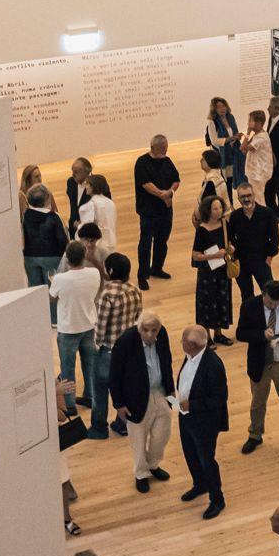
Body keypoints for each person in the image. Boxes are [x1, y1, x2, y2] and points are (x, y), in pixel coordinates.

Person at [236, 278, 279, 454]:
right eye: (269, 302)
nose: (273, 305)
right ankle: (255, 435)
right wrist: (261, 335)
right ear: (263, 294)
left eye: (276, 302)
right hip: (260, 362)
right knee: (257, 402)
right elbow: (240, 333)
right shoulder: (249, 306)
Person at [108, 312, 175, 493]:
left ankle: (153, 464)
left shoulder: (162, 335)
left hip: (160, 393)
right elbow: (114, 375)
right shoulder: (126, 341)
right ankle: (141, 473)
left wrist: (171, 393)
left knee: (162, 434)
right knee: (138, 439)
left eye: (154, 330)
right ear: (139, 329)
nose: (150, 335)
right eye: (146, 330)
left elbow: (167, 362)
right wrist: (119, 404)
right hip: (135, 399)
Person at [172, 323, 230, 519]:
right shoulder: (190, 356)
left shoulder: (213, 365)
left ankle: (217, 499)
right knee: (190, 453)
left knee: (207, 460)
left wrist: (192, 405)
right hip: (186, 416)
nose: (180, 342)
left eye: (183, 340)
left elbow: (219, 398)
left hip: (204, 421)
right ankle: (200, 484)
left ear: (192, 345)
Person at [89, 254, 140, 439]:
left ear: (110, 271)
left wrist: (96, 344)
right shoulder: (135, 290)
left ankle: (98, 427)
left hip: (108, 350)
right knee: (123, 388)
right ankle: (123, 423)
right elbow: (137, 316)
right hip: (128, 349)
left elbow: (101, 326)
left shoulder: (107, 294)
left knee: (100, 389)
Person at [50, 240, 101, 401]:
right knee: (90, 365)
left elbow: (52, 298)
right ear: (84, 256)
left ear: (67, 258)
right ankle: (90, 396)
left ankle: (69, 402)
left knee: (67, 368)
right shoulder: (94, 274)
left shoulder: (60, 279)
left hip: (68, 329)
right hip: (89, 326)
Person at [133, 135, 182, 289]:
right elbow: (146, 184)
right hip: (148, 210)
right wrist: (163, 194)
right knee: (146, 244)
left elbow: (176, 180)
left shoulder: (167, 161)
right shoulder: (142, 162)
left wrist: (171, 192)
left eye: (165, 149)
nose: (164, 151)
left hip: (165, 209)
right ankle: (143, 275)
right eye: (162, 149)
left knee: (162, 240)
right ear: (153, 147)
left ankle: (157, 268)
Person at [189, 195, 235, 345]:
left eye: (220, 207)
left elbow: (229, 242)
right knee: (207, 303)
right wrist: (214, 255)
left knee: (221, 300)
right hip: (208, 273)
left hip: (222, 270)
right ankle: (206, 336)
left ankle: (219, 333)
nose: (219, 211)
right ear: (208, 210)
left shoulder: (225, 224)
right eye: (215, 208)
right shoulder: (202, 230)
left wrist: (231, 248)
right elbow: (196, 255)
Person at [226, 185, 278, 307]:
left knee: (269, 292)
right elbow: (231, 238)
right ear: (238, 199)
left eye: (249, 195)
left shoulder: (267, 214)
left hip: (262, 260)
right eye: (242, 197)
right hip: (242, 261)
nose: (246, 199)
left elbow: (275, 238)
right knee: (246, 295)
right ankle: (250, 322)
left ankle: (272, 320)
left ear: (254, 195)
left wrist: (269, 258)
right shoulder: (235, 216)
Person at [22, 185, 69, 297]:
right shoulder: (54, 217)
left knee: (35, 291)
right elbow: (62, 240)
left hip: (30, 258)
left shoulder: (25, 215)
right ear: (47, 199)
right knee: (52, 292)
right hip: (51, 258)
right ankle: (52, 315)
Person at [240, 111, 276, 205]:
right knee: (256, 197)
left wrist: (248, 132)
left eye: (250, 121)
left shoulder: (261, 138)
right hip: (255, 172)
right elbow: (244, 150)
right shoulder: (258, 135)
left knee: (258, 198)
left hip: (258, 173)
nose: (248, 123)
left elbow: (242, 148)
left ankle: (263, 218)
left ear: (258, 123)